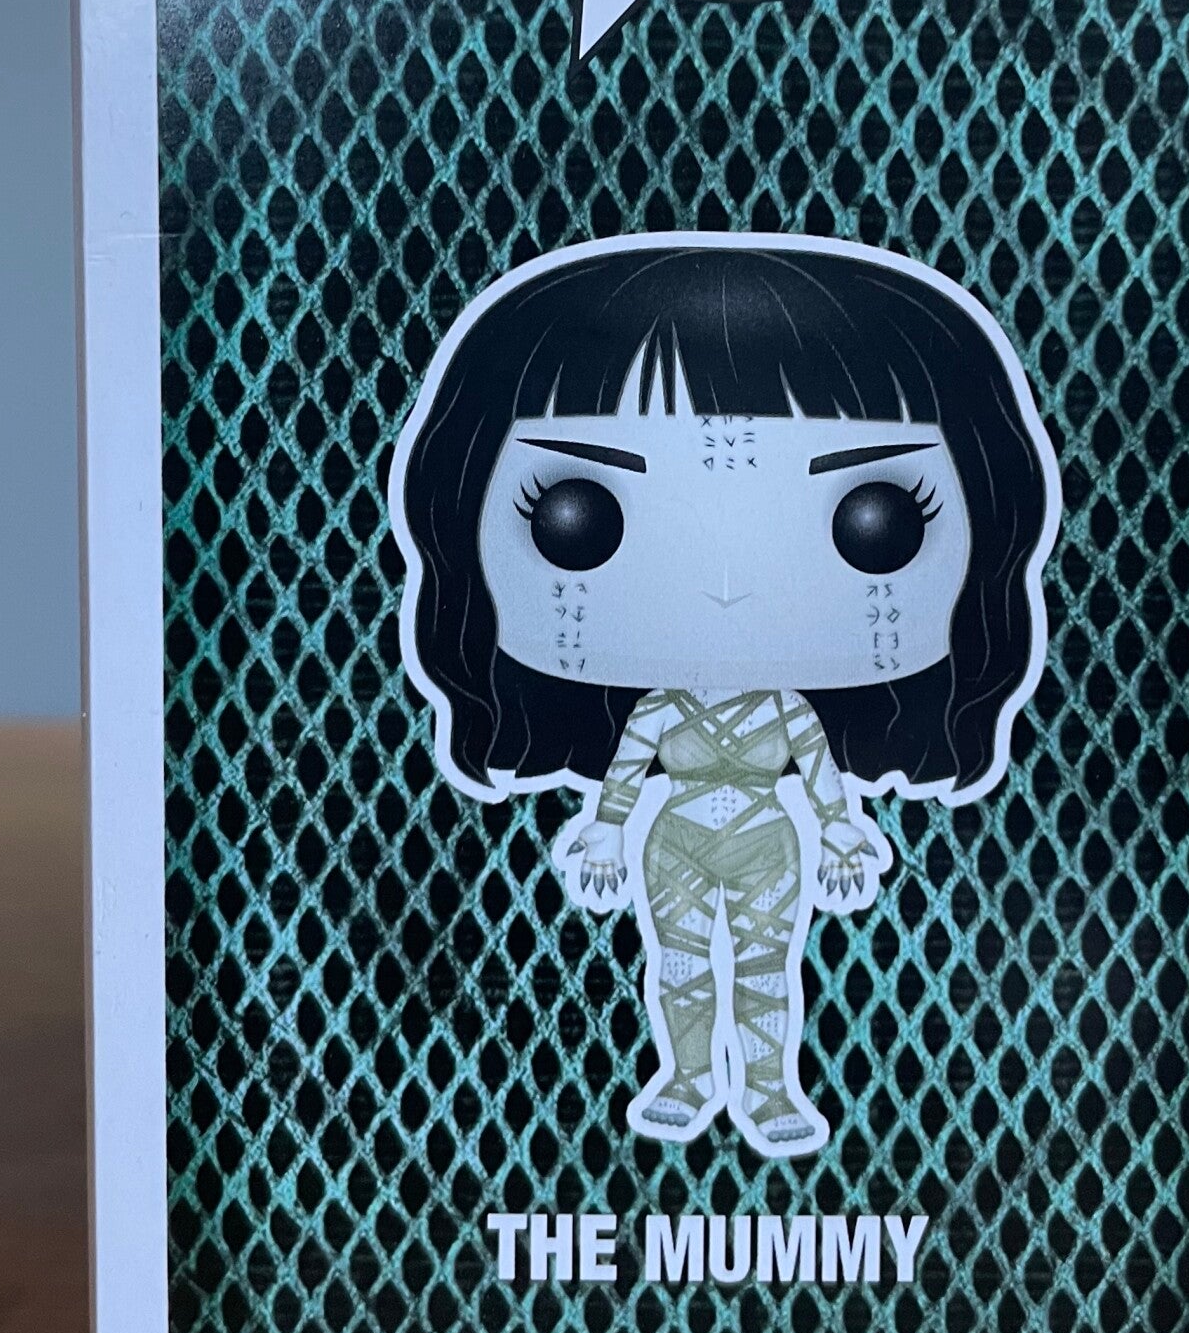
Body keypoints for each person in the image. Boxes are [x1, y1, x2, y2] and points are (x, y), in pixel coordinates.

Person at [389, 233, 1059, 1160]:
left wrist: (843, 833)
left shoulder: (788, 714)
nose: (727, 591)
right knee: (678, 968)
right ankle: (689, 1076)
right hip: (671, 842)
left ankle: (772, 1087)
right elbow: (625, 776)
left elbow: (819, 777)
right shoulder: (659, 713)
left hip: (767, 843)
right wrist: (602, 834)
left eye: (880, 524)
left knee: (765, 971)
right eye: (575, 517)